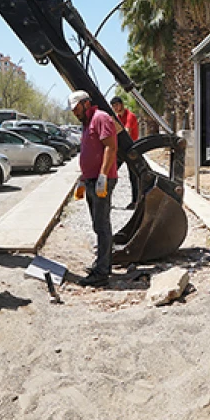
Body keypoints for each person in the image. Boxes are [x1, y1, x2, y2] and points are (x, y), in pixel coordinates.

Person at [69, 90, 118, 287]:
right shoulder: (87, 123)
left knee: (102, 225)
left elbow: (110, 147)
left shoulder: (101, 118)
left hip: (101, 180)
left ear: (86, 103)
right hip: (90, 179)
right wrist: (83, 178)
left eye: (76, 108)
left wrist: (103, 176)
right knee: (98, 225)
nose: (74, 112)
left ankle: (102, 272)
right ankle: (102, 264)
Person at [110, 96, 140, 210]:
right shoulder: (117, 118)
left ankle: (135, 201)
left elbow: (126, 132)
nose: (115, 108)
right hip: (121, 149)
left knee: (133, 176)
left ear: (121, 104)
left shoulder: (130, 116)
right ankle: (106, 200)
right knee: (111, 172)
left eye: (117, 105)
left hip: (131, 149)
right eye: (113, 106)